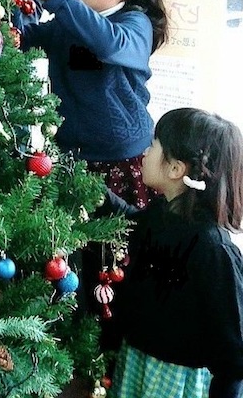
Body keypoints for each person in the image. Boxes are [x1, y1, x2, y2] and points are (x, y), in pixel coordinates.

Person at [6, 0, 168, 210]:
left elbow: (108, 43)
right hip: (69, 157)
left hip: (121, 160)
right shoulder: (66, 23)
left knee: (115, 249)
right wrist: (3, 7)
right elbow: (23, 39)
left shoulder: (136, 24)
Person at [101, 107, 243, 398]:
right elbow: (130, 220)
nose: (144, 152)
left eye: (154, 145)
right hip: (136, 361)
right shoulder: (160, 215)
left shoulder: (213, 251)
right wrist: (95, 193)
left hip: (176, 382)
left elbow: (233, 355)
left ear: (176, 169)